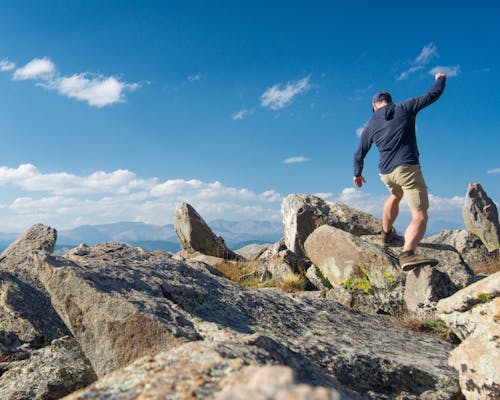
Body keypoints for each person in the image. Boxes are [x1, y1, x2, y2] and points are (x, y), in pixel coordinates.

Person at [353, 72, 447, 271]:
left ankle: (386, 233)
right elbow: (432, 94)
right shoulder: (405, 107)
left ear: (374, 106)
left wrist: (357, 173)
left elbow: (359, 152)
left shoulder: (370, 124)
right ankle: (407, 254)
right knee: (420, 215)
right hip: (407, 167)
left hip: (385, 173)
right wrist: (440, 78)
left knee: (396, 194)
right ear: (389, 101)